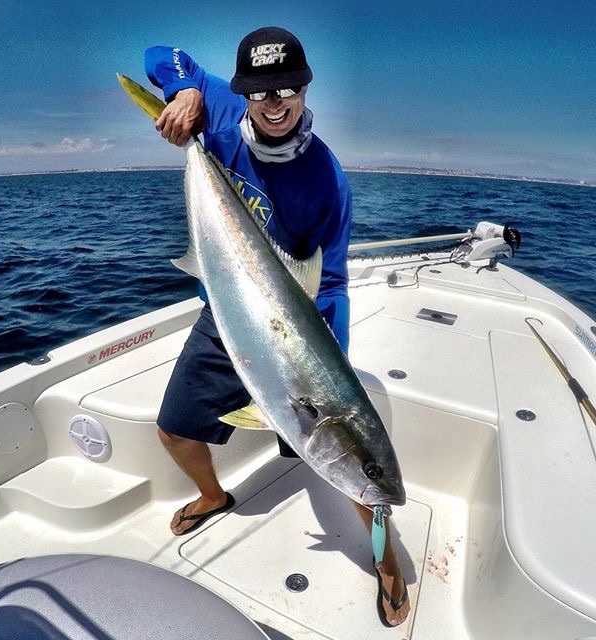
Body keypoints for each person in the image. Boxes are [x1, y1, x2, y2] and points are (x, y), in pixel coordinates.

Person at [145, 26, 409, 627]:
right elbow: (159, 56)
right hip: (227, 313)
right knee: (173, 431)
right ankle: (215, 496)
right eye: (262, 91)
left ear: (305, 87)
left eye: (288, 88)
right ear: (245, 91)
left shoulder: (325, 178)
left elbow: (333, 283)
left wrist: (330, 366)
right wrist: (184, 91)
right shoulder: (220, 105)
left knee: (343, 462)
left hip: (293, 328)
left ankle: (386, 556)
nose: (275, 102)